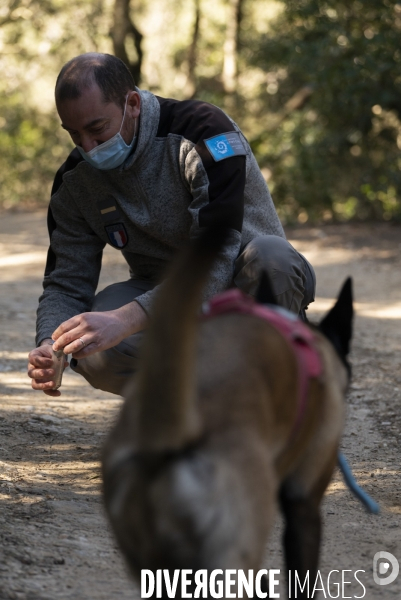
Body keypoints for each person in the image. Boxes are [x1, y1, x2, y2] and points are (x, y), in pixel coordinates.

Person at [27, 52, 316, 397]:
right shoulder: (75, 183)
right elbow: (65, 284)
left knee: (272, 259)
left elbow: (216, 256)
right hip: (159, 295)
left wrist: (125, 320)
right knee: (89, 342)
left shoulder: (203, 132)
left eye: (97, 129)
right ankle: (193, 404)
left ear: (132, 103)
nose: (88, 148)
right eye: (74, 134)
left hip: (242, 284)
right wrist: (51, 345)